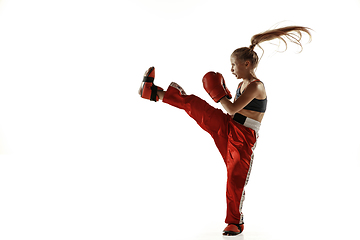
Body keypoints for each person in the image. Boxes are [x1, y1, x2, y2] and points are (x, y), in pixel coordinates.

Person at [138, 25, 312, 236]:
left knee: (234, 179)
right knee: (195, 105)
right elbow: (230, 110)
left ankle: (235, 222)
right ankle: (154, 93)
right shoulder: (241, 85)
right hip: (228, 126)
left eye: (233, 65)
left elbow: (230, 109)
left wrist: (219, 94)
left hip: (243, 138)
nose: (231, 69)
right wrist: (224, 94)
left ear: (246, 64)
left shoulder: (256, 87)